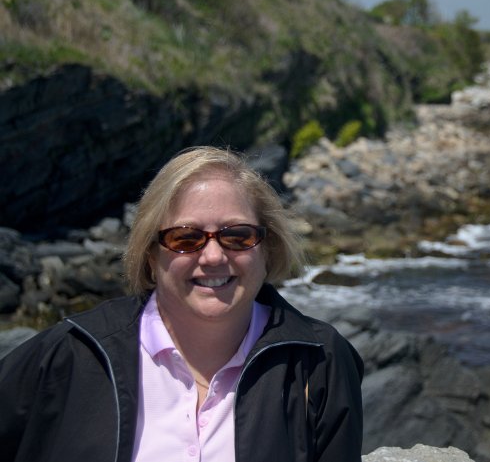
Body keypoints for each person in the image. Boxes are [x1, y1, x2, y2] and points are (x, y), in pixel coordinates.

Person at [0, 146, 364, 462]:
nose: (213, 257)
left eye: (237, 236)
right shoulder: (72, 354)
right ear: (150, 255)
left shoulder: (318, 360)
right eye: (185, 238)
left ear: (267, 249)